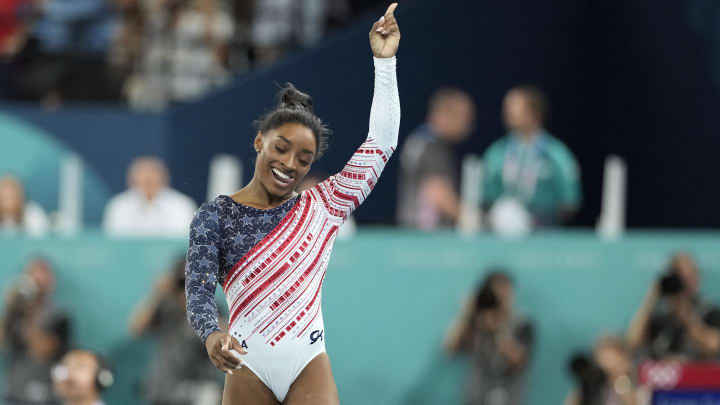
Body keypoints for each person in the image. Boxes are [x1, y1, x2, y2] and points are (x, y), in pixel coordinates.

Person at [185, 4, 400, 404]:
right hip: (247, 366)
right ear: (259, 141)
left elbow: (381, 144)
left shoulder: (325, 205)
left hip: (307, 363)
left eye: (303, 159)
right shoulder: (215, 215)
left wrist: (384, 63)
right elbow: (197, 288)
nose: (289, 164)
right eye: (281, 149)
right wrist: (211, 333)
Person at [481, 86, 581, 230]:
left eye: (514, 107)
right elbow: (487, 196)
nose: (507, 113)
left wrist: (543, 220)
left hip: (545, 235)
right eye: (506, 108)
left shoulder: (556, 153)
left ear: (534, 112)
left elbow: (569, 201)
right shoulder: (497, 152)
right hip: (501, 234)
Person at [128, 257, 223, 405]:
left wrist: (197, 305)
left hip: (200, 389)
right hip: (164, 387)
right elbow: (135, 329)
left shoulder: (212, 308)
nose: (186, 288)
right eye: (183, 283)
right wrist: (157, 294)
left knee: (208, 394)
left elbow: (225, 341)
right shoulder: (166, 306)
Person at [444, 270, 535, 405]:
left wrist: (497, 328)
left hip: (509, 398)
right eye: (496, 292)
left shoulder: (523, 322)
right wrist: (466, 313)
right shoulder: (475, 322)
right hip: (475, 397)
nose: (501, 297)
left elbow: (520, 360)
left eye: (505, 291)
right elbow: (450, 348)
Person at [396, 87, 475, 230]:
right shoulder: (430, 145)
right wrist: (476, 220)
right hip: (426, 235)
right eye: (463, 117)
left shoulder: (421, 140)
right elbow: (437, 192)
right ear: (444, 115)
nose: (468, 124)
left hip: (414, 231)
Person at [625, 252, 720, 361]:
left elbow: (714, 346)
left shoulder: (709, 312)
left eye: (690, 275)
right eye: (680, 276)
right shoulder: (660, 315)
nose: (686, 282)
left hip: (695, 374)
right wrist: (651, 298)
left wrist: (686, 316)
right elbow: (632, 342)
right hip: (660, 375)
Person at [1, 258, 70, 405]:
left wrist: (27, 317)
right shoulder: (15, 312)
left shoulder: (60, 315)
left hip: (46, 387)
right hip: (16, 386)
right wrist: (10, 309)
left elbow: (43, 350)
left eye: (42, 279)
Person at [103, 156, 197, 237]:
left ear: (164, 177)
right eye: (141, 173)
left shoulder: (182, 205)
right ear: (131, 179)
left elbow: (183, 243)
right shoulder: (118, 206)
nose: (148, 178)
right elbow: (112, 242)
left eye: (153, 172)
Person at [565, 336, 646, 405]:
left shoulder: (642, 369)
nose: (612, 366)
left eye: (615, 360)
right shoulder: (603, 389)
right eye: (606, 365)